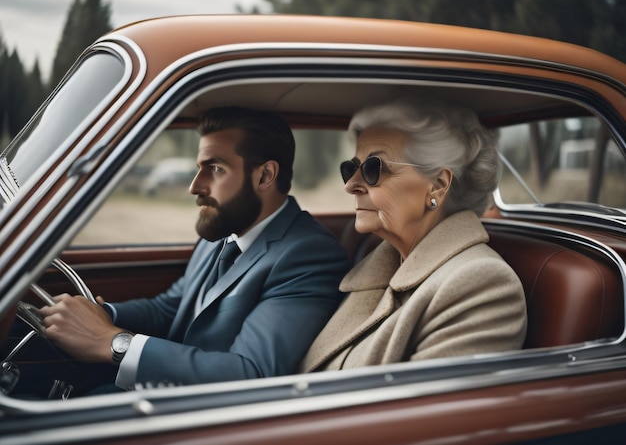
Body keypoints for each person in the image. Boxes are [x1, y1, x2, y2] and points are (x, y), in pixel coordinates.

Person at [36, 106, 350, 393]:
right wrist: (100, 314)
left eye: (215, 168)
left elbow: (251, 373)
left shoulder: (308, 255)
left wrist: (112, 342)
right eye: (200, 167)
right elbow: (172, 307)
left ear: (265, 176)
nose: (195, 186)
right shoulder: (225, 229)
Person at [300, 99, 527, 373]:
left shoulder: (482, 284)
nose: (351, 185)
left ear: (437, 185)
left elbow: (422, 412)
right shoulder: (382, 265)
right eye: (351, 168)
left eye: (373, 168)